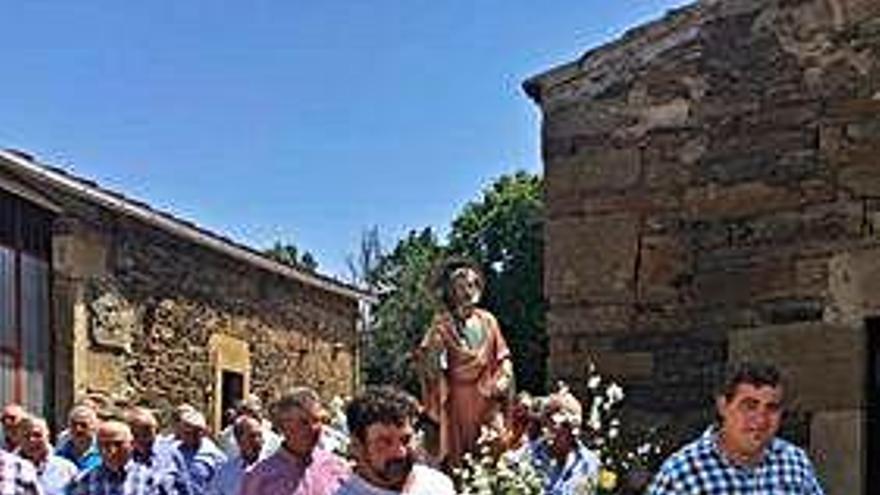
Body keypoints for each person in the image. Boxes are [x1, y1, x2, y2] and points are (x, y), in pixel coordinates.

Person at [648, 362, 825, 494]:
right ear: (723, 405)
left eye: (771, 408)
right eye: (749, 406)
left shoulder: (794, 462)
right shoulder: (682, 473)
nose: (761, 420)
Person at [414, 258, 514, 466]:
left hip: (486, 394)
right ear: (452, 292)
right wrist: (433, 351)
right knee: (458, 456)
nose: (467, 291)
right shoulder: (443, 324)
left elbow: (503, 357)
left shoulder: (489, 321)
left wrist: (503, 378)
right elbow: (429, 366)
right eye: (460, 287)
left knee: (493, 444)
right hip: (457, 400)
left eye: (471, 284)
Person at [335, 387, 455, 495]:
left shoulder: (437, 485)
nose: (400, 452)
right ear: (358, 446)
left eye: (406, 439)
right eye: (385, 442)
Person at [241, 387, 349, 495]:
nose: (313, 428)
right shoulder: (260, 477)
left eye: (317, 420)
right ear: (283, 426)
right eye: (304, 422)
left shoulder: (337, 467)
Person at [529, 386, 600, 495]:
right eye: (546, 421)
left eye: (567, 425)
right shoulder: (527, 456)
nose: (548, 427)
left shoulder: (589, 462)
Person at [67, 420, 159, 495]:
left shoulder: (151, 477)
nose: (112, 451)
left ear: (132, 444)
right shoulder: (84, 480)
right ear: (97, 447)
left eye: (118, 444)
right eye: (105, 445)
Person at [126, 407, 193, 495]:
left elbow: (185, 489)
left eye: (147, 432)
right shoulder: (124, 456)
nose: (143, 438)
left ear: (156, 430)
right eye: (137, 434)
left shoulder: (170, 454)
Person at [17, 416, 78, 495]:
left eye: (37, 435)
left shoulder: (67, 469)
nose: (31, 440)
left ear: (48, 436)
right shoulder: (7, 468)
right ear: (19, 439)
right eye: (26, 436)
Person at [209, 415, 265, 495]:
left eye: (260, 435)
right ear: (238, 439)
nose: (258, 441)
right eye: (252, 436)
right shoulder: (225, 472)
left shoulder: (273, 468)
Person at [173, 409, 226, 493]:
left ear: (204, 432)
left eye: (196, 433)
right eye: (187, 433)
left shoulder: (215, 456)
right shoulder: (172, 451)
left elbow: (222, 486)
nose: (191, 437)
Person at [55, 406, 101, 471]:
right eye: (74, 424)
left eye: (83, 425)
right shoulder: (60, 453)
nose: (78, 429)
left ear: (94, 427)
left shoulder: (102, 451)